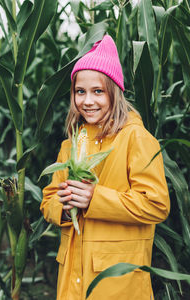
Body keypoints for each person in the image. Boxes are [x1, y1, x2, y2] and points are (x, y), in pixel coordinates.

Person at [40, 35, 170, 300]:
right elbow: (48, 200)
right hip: (72, 279)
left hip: (116, 282)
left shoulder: (136, 138)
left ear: (115, 91)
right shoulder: (73, 142)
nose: (88, 101)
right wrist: (63, 209)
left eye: (98, 91)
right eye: (80, 92)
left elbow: (156, 204)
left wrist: (93, 199)